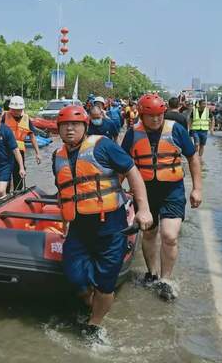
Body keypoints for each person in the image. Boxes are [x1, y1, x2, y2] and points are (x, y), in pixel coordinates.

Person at [53, 105, 152, 339]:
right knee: (75, 276)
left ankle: (94, 325)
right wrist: (64, 224)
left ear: (85, 126)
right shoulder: (58, 156)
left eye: (75, 125)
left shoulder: (103, 146)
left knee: (106, 283)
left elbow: (132, 172)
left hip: (111, 224)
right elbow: (63, 191)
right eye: (64, 125)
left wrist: (144, 209)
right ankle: (92, 304)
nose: (69, 130)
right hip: (79, 226)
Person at [121, 94, 203, 301]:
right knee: (149, 233)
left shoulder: (176, 130)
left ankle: (165, 280)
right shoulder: (132, 134)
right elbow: (122, 165)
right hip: (144, 191)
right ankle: (152, 273)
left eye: (159, 115)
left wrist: (196, 189)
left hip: (172, 191)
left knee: (169, 235)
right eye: (151, 116)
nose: (156, 119)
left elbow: (193, 158)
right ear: (141, 115)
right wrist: (115, 191)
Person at [2, 96, 41, 190]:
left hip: (19, 152)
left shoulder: (26, 119)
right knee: (5, 175)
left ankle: (18, 193)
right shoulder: (4, 116)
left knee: (18, 174)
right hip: (5, 151)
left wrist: (37, 153)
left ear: (22, 109)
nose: (15, 112)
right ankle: (5, 195)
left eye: (18, 110)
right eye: (13, 109)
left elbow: (32, 137)